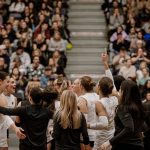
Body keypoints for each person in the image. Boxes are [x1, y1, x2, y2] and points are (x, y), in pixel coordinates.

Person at [100, 80, 145, 150]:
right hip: (138, 145)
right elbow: (142, 125)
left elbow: (129, 128)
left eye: (120, 89)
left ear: (123, 92)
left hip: (124, 145)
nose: (119, 91)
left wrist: (110, 142)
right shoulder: (140, 107)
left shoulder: (123, 108)